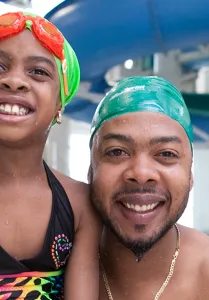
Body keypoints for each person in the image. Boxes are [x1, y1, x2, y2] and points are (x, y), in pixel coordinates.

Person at [89, 76, 209, 300]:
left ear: (190, 175)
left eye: (166, 154)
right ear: (90, 171)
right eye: (117, 152)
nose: (142, 174)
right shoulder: (53, 265)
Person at [0, 11, 100, 299]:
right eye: (0, 66)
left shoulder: (79, 205)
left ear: (60, 103)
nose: (14, 81)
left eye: (38, 71)